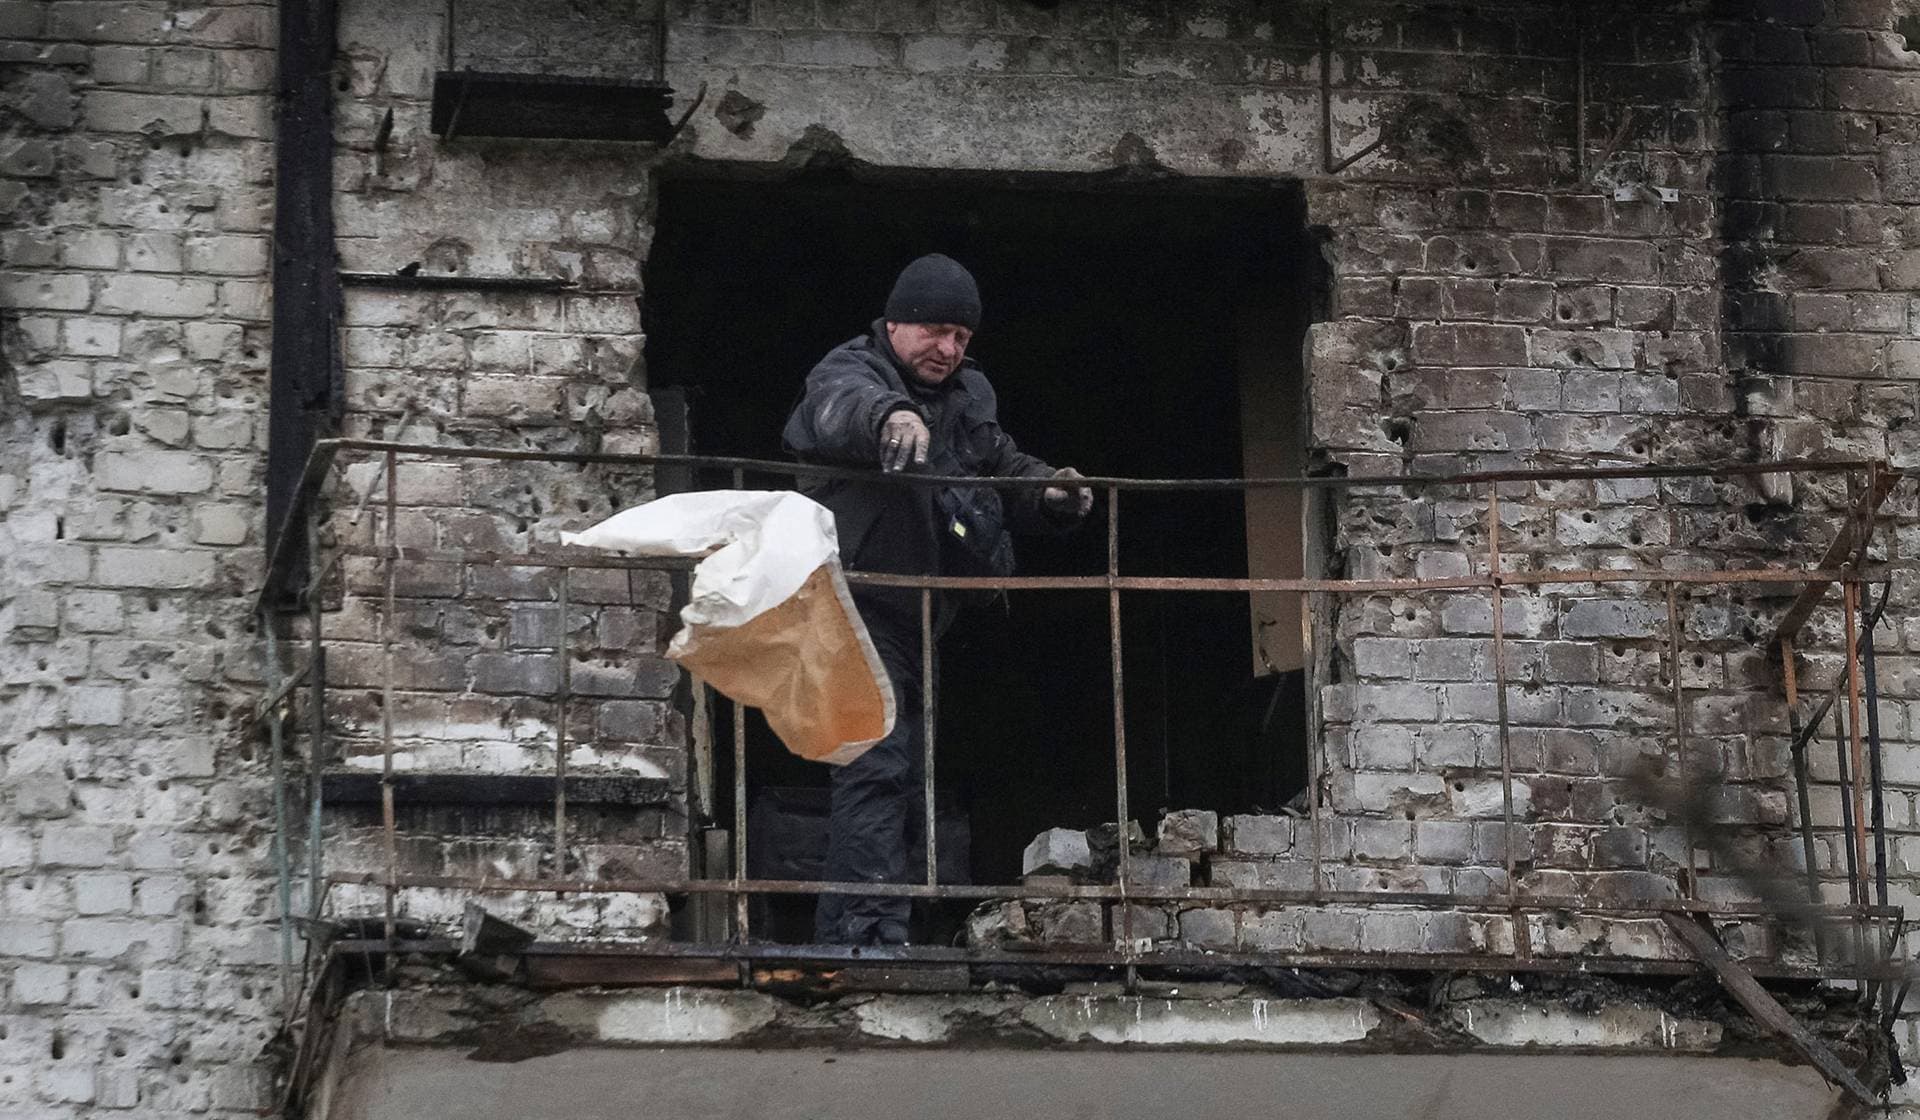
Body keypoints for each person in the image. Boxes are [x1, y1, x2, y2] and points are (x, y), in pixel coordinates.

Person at [782, 253, 1093, 945]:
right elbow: (838, 412)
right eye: (935, 331)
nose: (948, 349)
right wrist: (890, 417)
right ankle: (869, 941)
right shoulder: (849, 371)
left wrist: (1052, 490)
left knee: (898, 773)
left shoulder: (966, 396)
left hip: (921, 614)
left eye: (961, 337)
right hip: (851, 605)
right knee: (878, 767)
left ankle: (859, 931)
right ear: (896, 322)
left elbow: (998, 461)